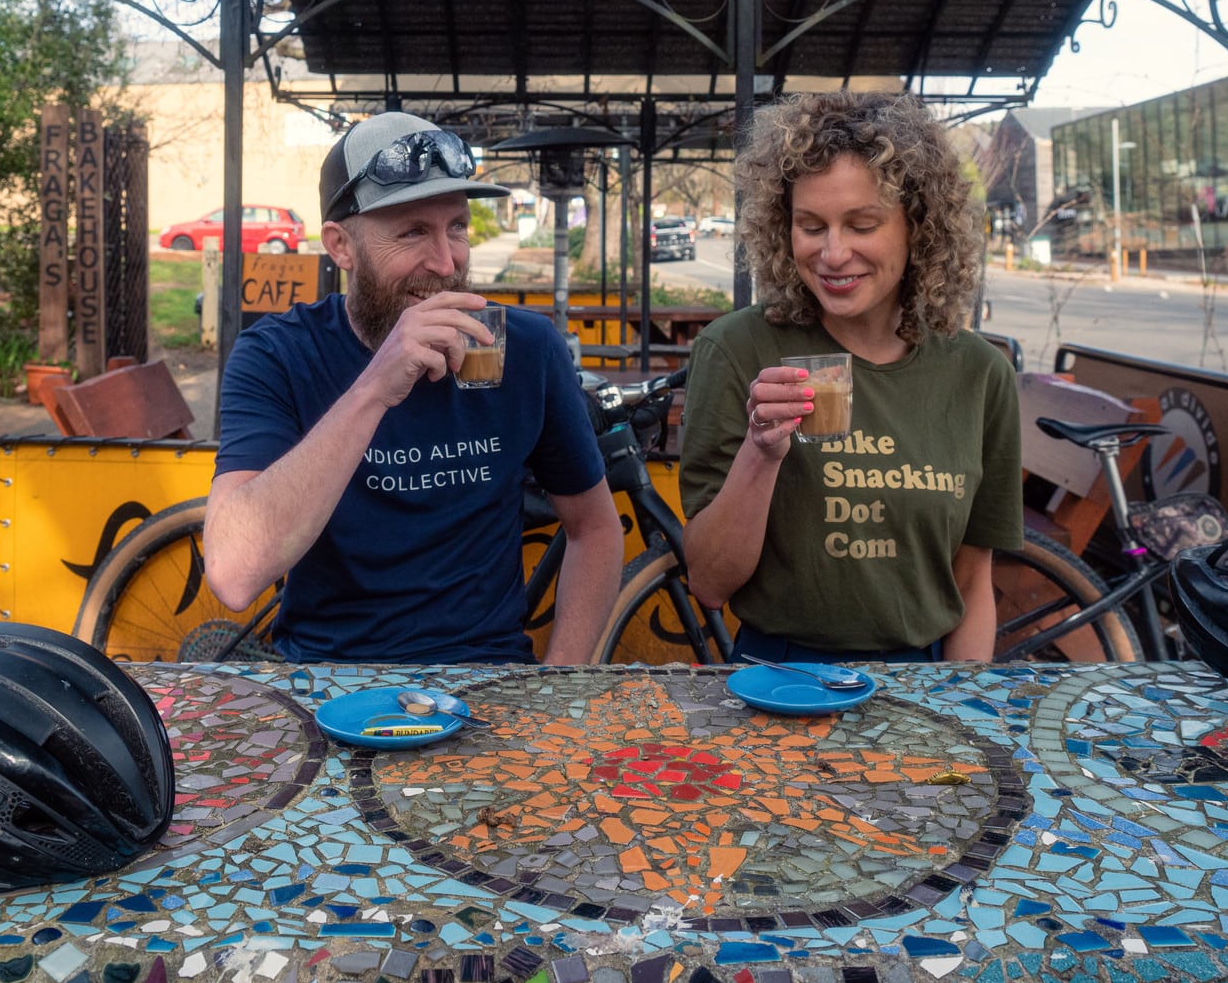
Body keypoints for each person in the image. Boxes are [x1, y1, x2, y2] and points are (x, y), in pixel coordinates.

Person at [204, 111, 623, 664]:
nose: (447, 262)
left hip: (486, 681)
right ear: (341, 246)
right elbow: (234, 575)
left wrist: (558, 683)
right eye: (413, 232)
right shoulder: (280, 355)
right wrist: (375, 387)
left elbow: (595, 529)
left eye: (457, 226)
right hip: (329, 681)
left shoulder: (522, 347)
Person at [679, 92, 1022, 664]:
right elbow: (710, 583)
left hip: (925, 684)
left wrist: (964, 710)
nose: (833, 253)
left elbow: (971, 580)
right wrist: (761, 454)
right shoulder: (739, 349)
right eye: (811, 226)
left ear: (919, 228)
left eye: (862, 224)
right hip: (778, 674)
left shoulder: (979, 374)